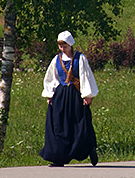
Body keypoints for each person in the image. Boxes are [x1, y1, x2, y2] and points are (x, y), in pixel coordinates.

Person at [39, 30, 99, 167]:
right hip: (60, 96)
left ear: (70, 45)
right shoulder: (56, 60)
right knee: (58, 125)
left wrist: (87, 95)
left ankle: (89, 148)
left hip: (75, 96)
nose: (62, 49)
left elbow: (85, 77)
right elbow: (51, 78)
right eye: (60, 46)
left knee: (80, 124)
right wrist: (50, 95)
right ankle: (58, 157)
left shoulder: (80, 59)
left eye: (65, 46)